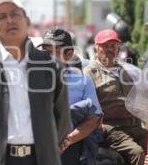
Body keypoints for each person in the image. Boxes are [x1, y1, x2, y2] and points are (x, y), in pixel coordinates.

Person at [0, 0, 71, 165]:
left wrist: (46, 145)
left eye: (15, 14)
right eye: (2, 17)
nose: (10, 20)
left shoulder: (51, 67)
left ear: (27, 22)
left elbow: (63, 120)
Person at [83, 29, 148, 165]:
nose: (109, 49)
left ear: (118, 49)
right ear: (96, 49)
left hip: (135, 124)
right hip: (111, 127)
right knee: (137, 153)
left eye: (113, 46)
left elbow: (140, 97)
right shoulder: (89, 73)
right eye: (105, 46)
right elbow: (87, 107)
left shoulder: (125, 70)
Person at [39, 28, 103, 165]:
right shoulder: (32, 80)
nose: (48, 57)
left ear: (69, 54)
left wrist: (66, 141)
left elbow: (92, 120)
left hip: (71, 149)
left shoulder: (84, 82)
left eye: (54, 52)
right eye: (46, 52)